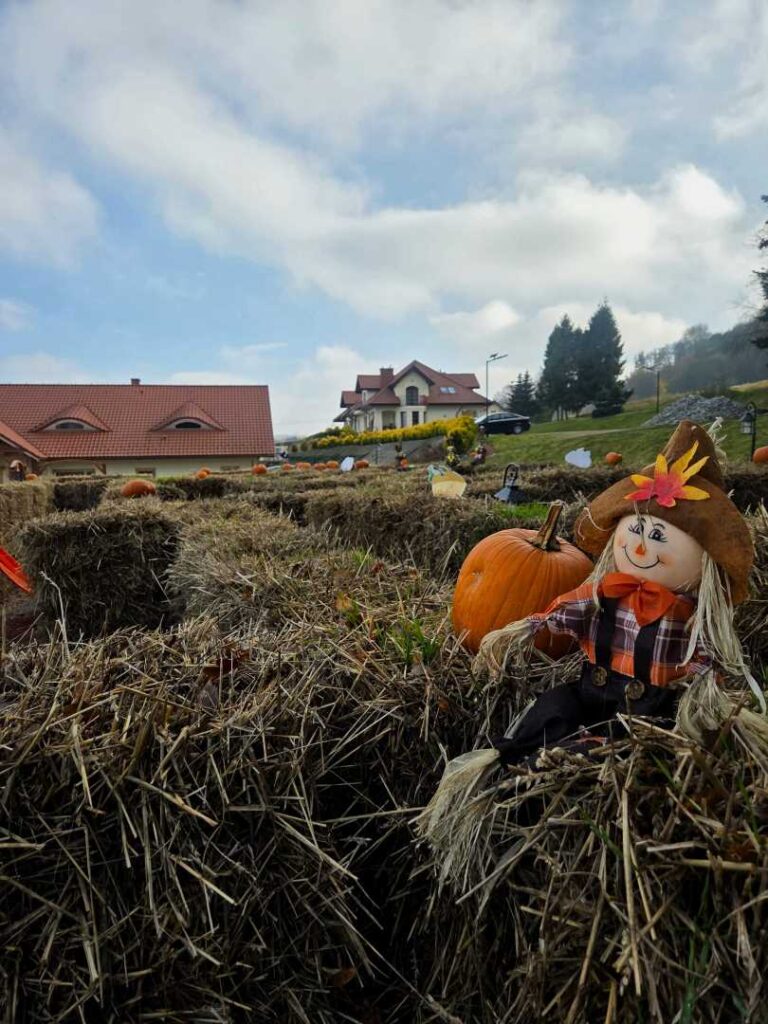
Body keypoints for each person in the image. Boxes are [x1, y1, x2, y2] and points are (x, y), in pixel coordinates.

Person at [418, 421, 762, 844]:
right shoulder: (603, 593)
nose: (639, 547)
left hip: (644, 710)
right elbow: (562, 615)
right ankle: (501, 764)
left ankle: (550, 776)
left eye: (657, 535)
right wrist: (528, 628)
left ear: (705, 561)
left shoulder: (685, 619)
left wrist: (710, 694)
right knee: (550, 708)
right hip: (590, 687)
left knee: (607, 747)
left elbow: (703, 660)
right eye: (634, 530)